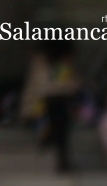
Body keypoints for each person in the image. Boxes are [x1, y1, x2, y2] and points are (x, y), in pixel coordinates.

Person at [22, 43, 80, 173]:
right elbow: (58, 84)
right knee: (61, 127)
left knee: (59, 126)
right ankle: (59, 155)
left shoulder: (47, 62)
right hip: (49, 102)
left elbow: (43, 84)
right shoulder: (53, 63)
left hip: (48, 102)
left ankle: (51, 141)